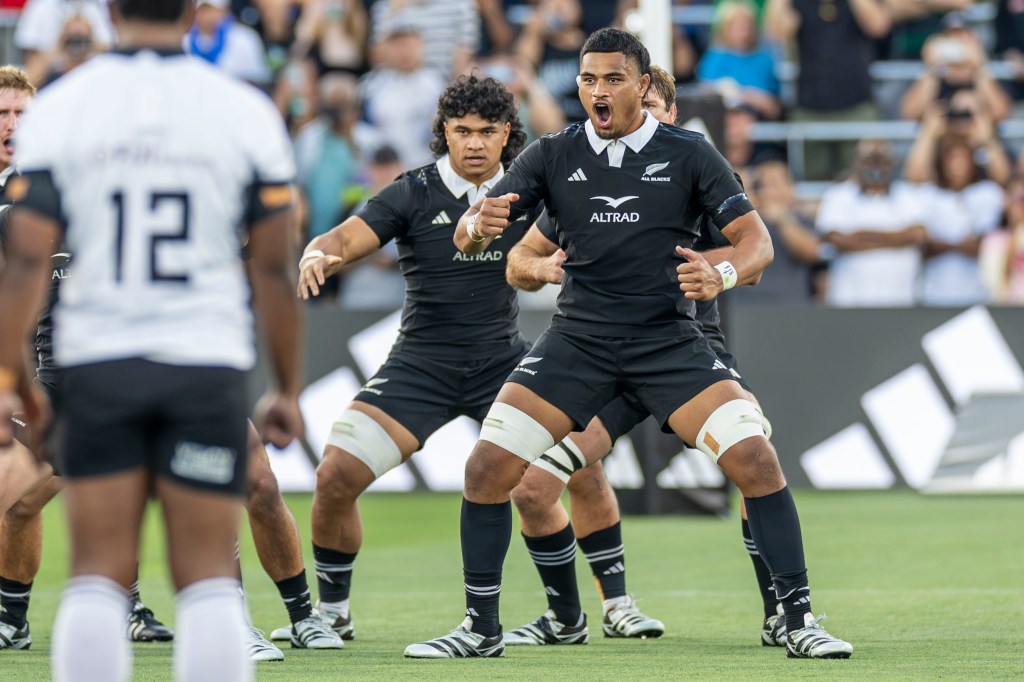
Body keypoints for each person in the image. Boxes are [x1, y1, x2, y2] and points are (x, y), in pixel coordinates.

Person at [406, 28, 852, 660]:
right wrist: (477, 230)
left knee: (757, 461)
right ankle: (482, 628)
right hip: (578, 341)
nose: (598, 91)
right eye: (588, 80)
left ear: (644, 85)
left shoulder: (691, 154)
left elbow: (758, 244)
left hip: (668, 341)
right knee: (488, 468)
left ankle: (796, 618)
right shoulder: (556, 153)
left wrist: (719, 271)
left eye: (613, 79)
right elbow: (485, 244)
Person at [292, 73, 665, 646]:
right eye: (460, 130)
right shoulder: (411, 191)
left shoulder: (533, 192)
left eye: (486, 131)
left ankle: (611, 605)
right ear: (442, 133)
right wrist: (316, 255)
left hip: (504, 364)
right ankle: (333, 613)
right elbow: (342, 240)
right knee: (335, 475)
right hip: (419, 367)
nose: (472, 142)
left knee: (579, 464)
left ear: (507, 135)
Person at [0, 1, 303, 679]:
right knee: (204, 578)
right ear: (196, 10)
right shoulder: (243, 108)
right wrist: (286, 386)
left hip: (98, 365)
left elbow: (23, 263)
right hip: (204, 365)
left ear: (110, 11)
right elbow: (276, 268)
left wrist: (11, 383)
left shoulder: (64, 106)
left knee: (97, 576)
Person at [501, 63, 794, 650]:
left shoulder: (694, 170)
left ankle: (780, 610)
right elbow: (523, 257)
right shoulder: (581, 176)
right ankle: (601, 610)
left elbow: (753, 259)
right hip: (602, 353)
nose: (639, 118)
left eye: (654, 106)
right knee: (535, 486)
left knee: (753, 461)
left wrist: (717, 270)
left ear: (668, 112)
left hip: (684, 347)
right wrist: (541, 266)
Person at [816, 140, 927, 307]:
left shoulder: (909, 195)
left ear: (892, 163)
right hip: (849, 302)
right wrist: (897, 240)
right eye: (870, 160)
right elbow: (836, 239)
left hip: (901, 301)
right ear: (857, 162)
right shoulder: (837, 195)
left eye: (881, 160)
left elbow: (917, 235)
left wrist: (859, 237)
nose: (876, 166)